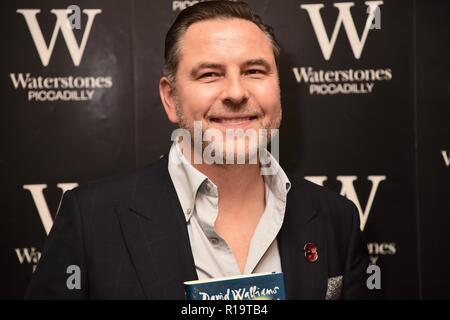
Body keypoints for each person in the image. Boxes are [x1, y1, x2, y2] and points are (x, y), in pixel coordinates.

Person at [26, 0, 370, 299]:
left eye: (254, 71)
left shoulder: (336, 219)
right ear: (170, 99)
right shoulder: (91, 220)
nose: (235, 92)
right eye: (209, 74)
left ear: (278, 89)